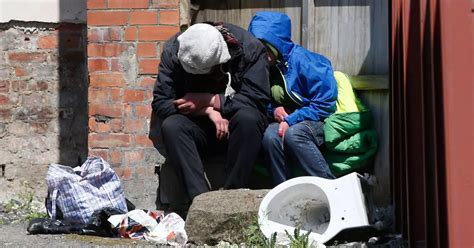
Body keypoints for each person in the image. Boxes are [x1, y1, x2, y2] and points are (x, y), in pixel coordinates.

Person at [152, 22, 270, 204]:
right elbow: (161, 102)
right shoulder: (173, 51)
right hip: (198, 126)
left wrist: (210, 100)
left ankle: (233, 197)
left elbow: (257, 98)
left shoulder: (250, 49)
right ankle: (201, 202)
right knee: (172, 126)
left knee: (249, 118)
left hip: (237, 129)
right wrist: (207, 111)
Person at [248, 11, 338, 185]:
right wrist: (273, 110)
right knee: (270, 136)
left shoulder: (307, 62)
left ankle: (331, 187)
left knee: (294, 134)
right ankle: (284, 190)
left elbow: (325, 103)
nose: (260, 55)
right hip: (287, 119)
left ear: (275, 45)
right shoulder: (266, 67)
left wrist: (292, 120)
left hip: (316, 119)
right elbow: (256, 97)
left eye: (265, 49)